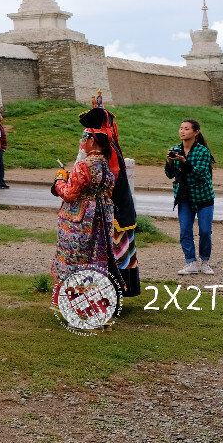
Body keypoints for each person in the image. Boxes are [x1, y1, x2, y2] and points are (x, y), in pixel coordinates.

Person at [78, 98, 141, 296]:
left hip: (113, 210)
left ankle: (111, 294)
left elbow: (106, 183)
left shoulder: (106, 150)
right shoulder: (111, 146)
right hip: (119, 208)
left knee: (113, 252)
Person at [51, 128, 117, 294]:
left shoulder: (83, 165)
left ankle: (74, 297)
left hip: (80, 219)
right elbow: (108, 191)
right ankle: (97, 296)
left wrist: (59, 179)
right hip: (102, 216)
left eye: (84, 139)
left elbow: (69, 194)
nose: (82, 143)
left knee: (74, 256)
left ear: (92, 141)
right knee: (97, 256)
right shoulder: (106, 163)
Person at [166, 118, 215, 275]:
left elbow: (199, 173)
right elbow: (169, 174)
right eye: (181, 128)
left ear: (196, 132)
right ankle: (191, 263)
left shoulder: (202, 151)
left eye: (186, 129)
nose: (182, 131)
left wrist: (184, 161)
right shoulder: (175, 149)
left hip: (203, 197)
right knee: (185, 230)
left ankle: (205, 261)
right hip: (184, 197)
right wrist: (169, 162)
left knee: (205, 231)